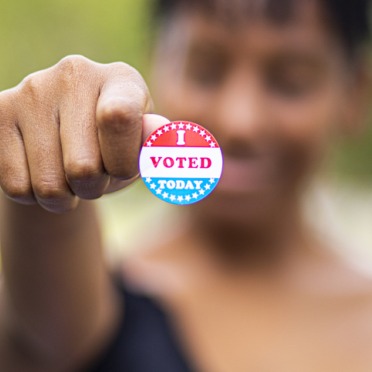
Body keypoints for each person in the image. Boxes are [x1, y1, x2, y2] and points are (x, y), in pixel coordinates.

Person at [0, 0, 371, 370]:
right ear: (155, 63)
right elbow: (41, 321)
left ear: (356, 92)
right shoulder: (77, 310)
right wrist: (44, 177)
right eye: (205, 71)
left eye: (289, 82)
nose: (241, 120)